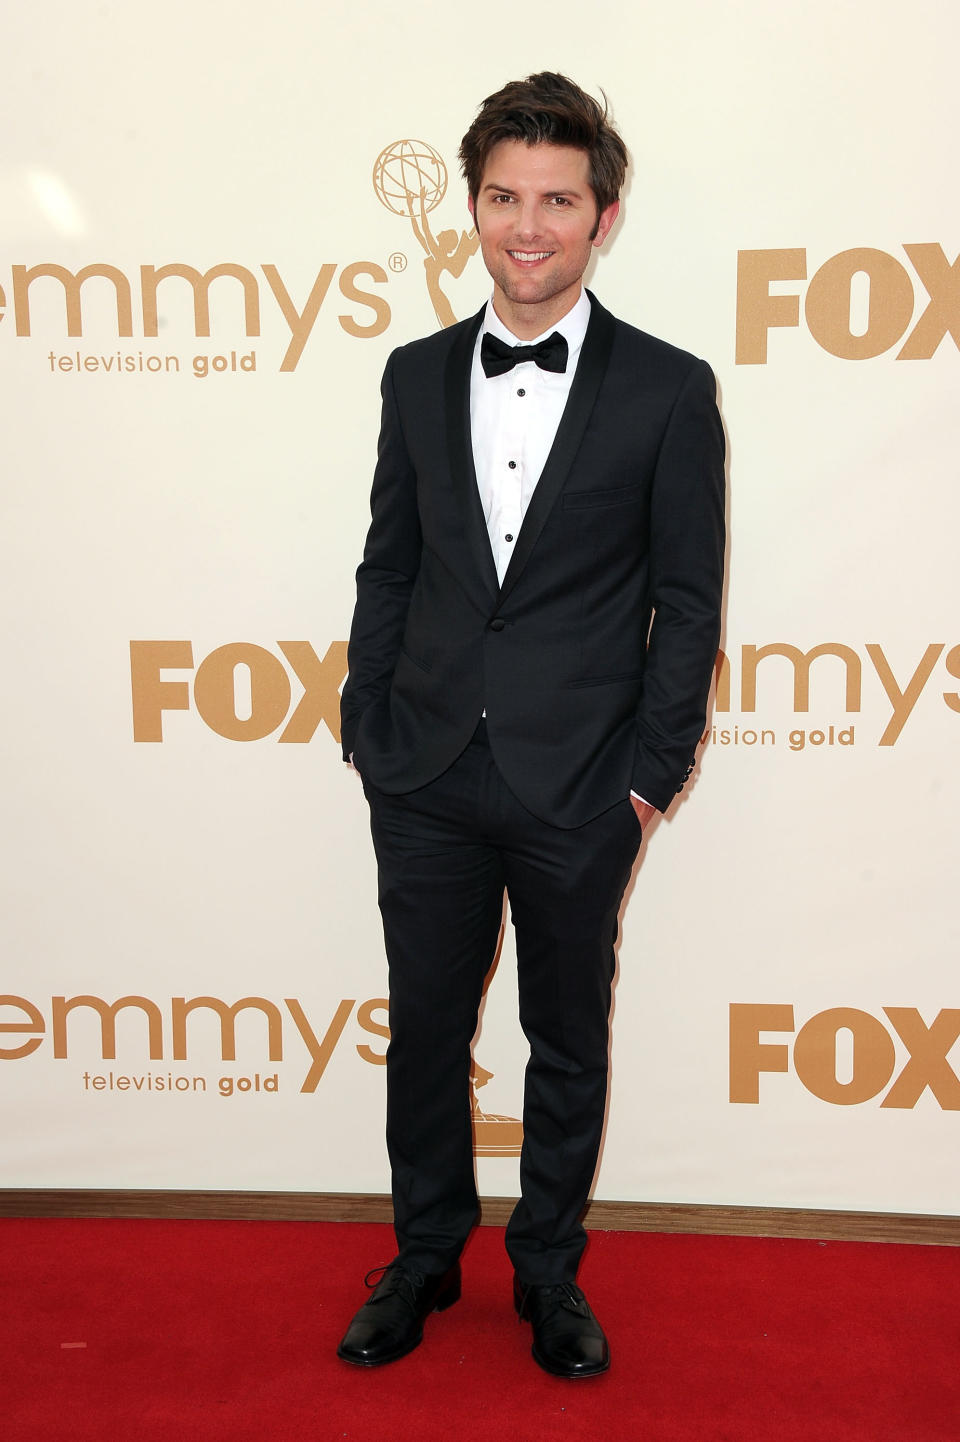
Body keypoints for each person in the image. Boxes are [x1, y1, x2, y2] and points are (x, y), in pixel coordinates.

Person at [337, 72, 725, 1377]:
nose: (527, 224)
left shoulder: (670, 391)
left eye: (557, 199)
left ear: (602, 217)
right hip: (429, 768)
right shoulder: (413, 374)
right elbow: (389, 566)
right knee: (427, 1026)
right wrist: (370, 724)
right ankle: (425, 1251)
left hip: (580, 785)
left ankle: (548, 1271)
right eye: (505, 195)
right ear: (472, 206)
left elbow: (687, 597)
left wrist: (648, 778)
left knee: (568, 1036)